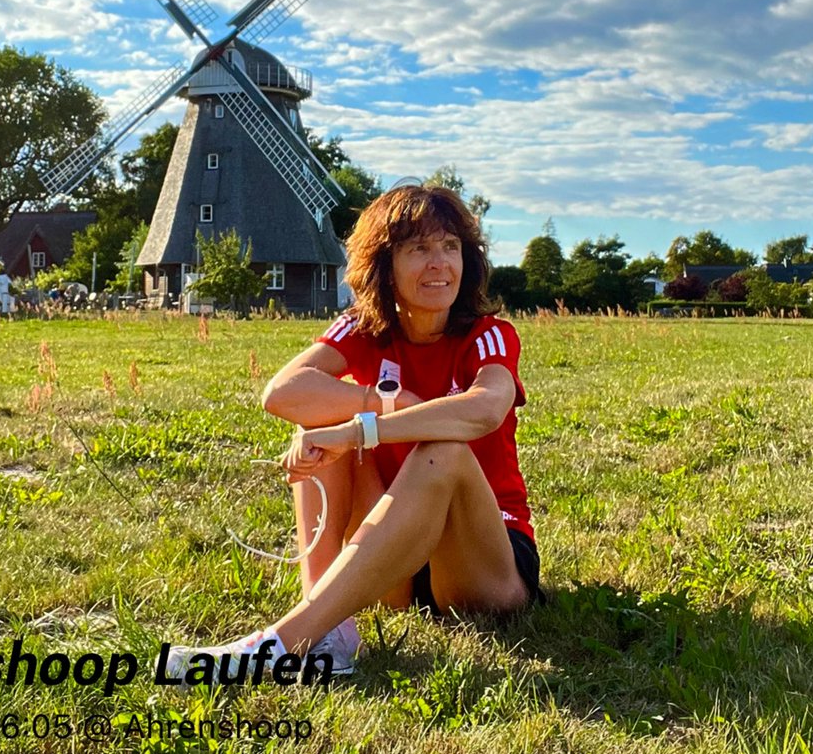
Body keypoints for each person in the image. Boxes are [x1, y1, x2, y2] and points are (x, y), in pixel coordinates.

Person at [167, 184, 542, 676]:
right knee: (317, 419)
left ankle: (283, 645)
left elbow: (484, 411)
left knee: (443, 452)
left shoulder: (487, 334)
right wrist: (381, 400)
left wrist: (360, 429)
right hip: (401, 562)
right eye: (419, 249)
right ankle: (330, 633)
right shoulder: (363, 330)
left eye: (451, 247)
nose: (439, 264)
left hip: (485, 564)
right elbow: (283, 391)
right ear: (384, 265)